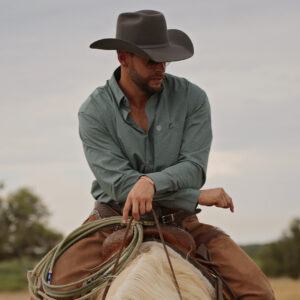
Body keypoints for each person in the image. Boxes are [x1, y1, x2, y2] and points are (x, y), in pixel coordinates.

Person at [54, 10, 274, 299]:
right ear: (123, 58)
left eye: (164, 59)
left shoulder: (192, 98)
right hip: (112, 220)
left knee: (259, 293)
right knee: (51, 292)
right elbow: (119, 186)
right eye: (151, 61)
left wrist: (151, 183)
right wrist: (194, 197)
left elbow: (194, 168)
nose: (161, 68)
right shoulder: (93, 111)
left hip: (180, 221)